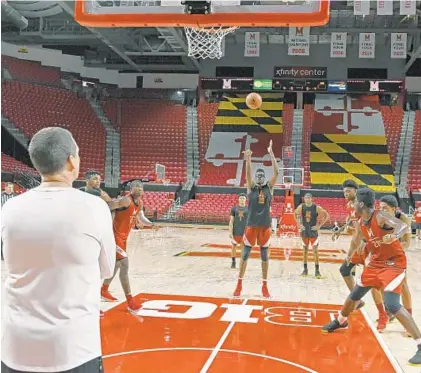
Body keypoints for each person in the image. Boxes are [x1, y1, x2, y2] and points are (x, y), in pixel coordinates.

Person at [1, 127, 116, 373]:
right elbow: (107, 269)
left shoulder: (10, 208)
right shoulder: (94, 207)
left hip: (15, 347)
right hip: (73, 349)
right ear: (71, 160)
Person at [322, 188, 421, 366]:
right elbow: (363, 239)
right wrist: (358, 252)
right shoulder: (361, 222)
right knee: (354, 295)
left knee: (392, 303)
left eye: (355, 203)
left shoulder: (381, 216)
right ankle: (341, 320)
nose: (352, 206)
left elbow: (403, 226)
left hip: (394, 264)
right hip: (376, 263)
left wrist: (394, 235)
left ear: (361, 204)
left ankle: (420, 344)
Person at [101, 180, 157, 312]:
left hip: (124, 238)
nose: (139, 188)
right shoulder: (125, 200)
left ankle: (103, 290)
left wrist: (151, 224)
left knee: (116, 265)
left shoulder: (140, 203)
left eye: (141, 187)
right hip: (115, 237)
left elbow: (141, 217)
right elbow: (107, 206)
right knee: (124, 265)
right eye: (136, 186)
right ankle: (130, 301)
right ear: (130, 189)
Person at [233, 140, 279, 298]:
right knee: (244, 255)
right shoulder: (250, 187)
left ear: (264, 177)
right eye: (257, 175)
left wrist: (271, 153)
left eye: (262, 175)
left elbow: (277, 173)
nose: (259, 176)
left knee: (265, 257)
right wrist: (248, 159)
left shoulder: (269, 188)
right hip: (251, 226)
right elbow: (247, 174)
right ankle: (239, 284)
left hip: (265, 227)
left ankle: (264, 286)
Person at [376, 195, 413, 332]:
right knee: (379, 284)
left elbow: (407, 243)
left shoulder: (403, 219)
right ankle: (386, 314)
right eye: (380, 208)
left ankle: (409, 318)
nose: (382, 211)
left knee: (403, 285)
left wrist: (391, 243)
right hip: (382, 254)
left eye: (385, 208)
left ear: (394, 209)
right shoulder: (380, 217)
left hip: (397, 255)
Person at [294, 193, 329, 278]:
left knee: (315, 251)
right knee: (305, 251)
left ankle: (317, 271)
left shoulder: (316, 207)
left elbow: (326, 215)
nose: (307, 199)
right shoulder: (301, 207)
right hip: (304, 232)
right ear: (304, 199)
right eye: (306, 198)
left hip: (313, 232)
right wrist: (299, 224)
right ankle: (305, 270)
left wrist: (319, 226)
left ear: (311, 199)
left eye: (309, 198)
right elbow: (294, 213)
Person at [229, 194, 248, 269]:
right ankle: (233, 261)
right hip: (236, 231)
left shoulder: (248, 208)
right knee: (234, 246)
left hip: (245, 231)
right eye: (241, 198)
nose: (242, 199)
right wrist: (230, 232)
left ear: (245, 200)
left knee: (243, 247)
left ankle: (242, 262)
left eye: (243, 198)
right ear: (238, 199)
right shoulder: (234, 208)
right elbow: (231, 221)